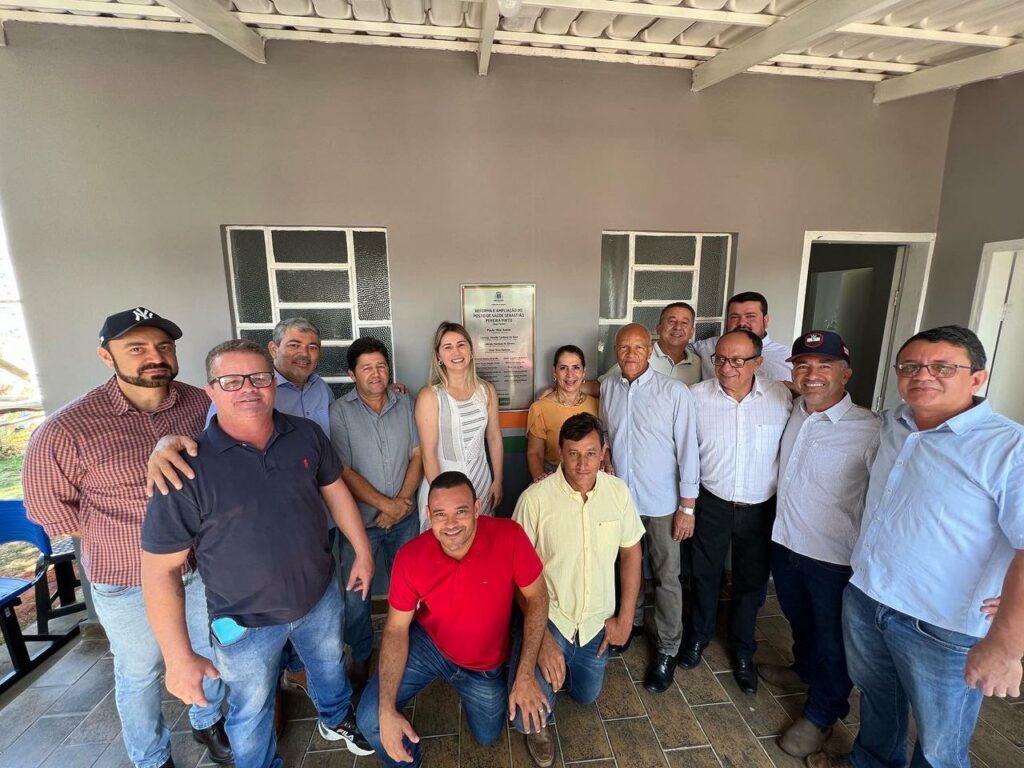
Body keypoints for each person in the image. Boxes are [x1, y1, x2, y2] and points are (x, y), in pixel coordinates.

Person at [141, 339, 376, 768]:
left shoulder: (306, 435)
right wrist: (177, 658)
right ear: (211, 390)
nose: (248, 388)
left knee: (329, 667)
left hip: (318, 596)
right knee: (250, 710)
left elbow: (335, 491)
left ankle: (335, 718)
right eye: (231, 380)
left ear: (273, 382)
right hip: (243, 621)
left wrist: (362, 550)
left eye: (259, 377)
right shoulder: (185, 466)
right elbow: (160, 572)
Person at [22, 307, 231, 768]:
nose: (154, 357)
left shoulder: (201, 404)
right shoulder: (66, 429)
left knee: (208, 649)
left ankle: (208, 721)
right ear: (106, 356)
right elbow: (49, 510)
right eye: (136, 348)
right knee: (141, 671)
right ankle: (151, 756)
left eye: (163, 346)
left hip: (201, 568)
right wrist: (124, 533)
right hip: (127, 579)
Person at [809, 326, 1024, 768]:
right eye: (910, 366)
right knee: (877, 699)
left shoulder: (1008, 447)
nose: (922, 375)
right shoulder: (893, 423)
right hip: (868, 596)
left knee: (941, 741)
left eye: (942, 367)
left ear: (977, 378)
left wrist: (1007, 643)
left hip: (943, 625)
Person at [355, 471, 549, 768]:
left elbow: (537, 597)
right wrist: (386, 709)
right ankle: (410, 763)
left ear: (476, 508)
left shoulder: (509, 535)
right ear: (428, 515)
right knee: (371, 719)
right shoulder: (410, 556)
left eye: (460, 511)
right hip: (430, 646)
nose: (451, 524)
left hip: (484, 666)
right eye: (440, 514)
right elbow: (395, 629)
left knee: (488, 737)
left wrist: (525, 674)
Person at [756, 331, 879, 758]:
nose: (812, 375)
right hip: (786, 543)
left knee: (833, 640)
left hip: (833, 558)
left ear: (846, 374)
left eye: (824, 366)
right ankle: (803, 669)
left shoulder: (870, 429)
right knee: (799, 619)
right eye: (803, 365)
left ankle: (823, 713)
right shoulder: (794, 410)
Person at [512, 413, 644, 767]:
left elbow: (631, 553)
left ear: (603, 453)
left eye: (590, 454)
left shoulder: (618, 492)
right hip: (551, 619)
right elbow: (515, 577)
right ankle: (531, 666)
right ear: (560, 452)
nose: (582, 464)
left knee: (587, 696)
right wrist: (541, 641)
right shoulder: (535, 499)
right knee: (525, 718)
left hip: (595, 623)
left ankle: (558, 674)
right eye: (573, 454)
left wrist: (625, 619)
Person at [679, 329, 792, 694]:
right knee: (704, 575)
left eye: (738, 360)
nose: (727, 368)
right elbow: (687, 454)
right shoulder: (696, 397)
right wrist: (688, 506)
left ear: (758, 362)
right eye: (721, 359)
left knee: (750, 582)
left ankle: (743, 649)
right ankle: (697, 637)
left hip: (760, 507)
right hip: (712, 502)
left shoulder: (781, 397)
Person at [600, 323, 699, 693]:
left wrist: (687, 507)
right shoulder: (609, 387)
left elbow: (689, 450)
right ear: (615, 350)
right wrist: (606, 457)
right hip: (623, 501)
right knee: (627, 567)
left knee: (666, 576)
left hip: (662, 503)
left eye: (638, 347)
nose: (630, 354)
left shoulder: (674, 392)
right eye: (624, 347)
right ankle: (634, 623)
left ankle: (668, 648)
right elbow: (607, 432)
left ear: (650, 349)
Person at [328, 336, 423, 690]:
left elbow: (418, 455)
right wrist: (386, 505)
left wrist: (401, 503)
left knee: (410, 587)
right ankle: (361, 653)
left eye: (381, 365)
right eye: (366, 367)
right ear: (352, 374)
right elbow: (343, 470)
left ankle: (410, 647)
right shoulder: (339, 412)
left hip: (405, 520)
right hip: (360, 525)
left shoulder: (405, 403)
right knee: (357, 597)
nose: (375, 373)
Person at [415, 321, 503, 519]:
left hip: (481, 480)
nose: (456, 352)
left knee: (481, 533)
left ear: (471, 350)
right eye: (448, 347)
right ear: (438, 356)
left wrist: (498, 479)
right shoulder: (430, 395)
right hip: (442, 481)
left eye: (461, 345)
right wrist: (440, 498)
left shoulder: (486, 390)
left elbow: (494, 437)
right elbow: (428, 454)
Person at [207, 317, 334, 433]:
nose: (304, 354)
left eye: (312, 347)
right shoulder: (248, 392)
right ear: (273, 349)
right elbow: (215, 442)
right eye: (294, 345)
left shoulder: (321, 387)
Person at [526, 345, 599, 482]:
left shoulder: (598, 405)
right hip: (554, 477)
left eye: (576, 367)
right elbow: (535, 453)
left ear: (584, 372)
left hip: (591, 478)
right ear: (554, 372)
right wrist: (541, 481)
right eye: (563, 368)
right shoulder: (540, 408)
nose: (570, 374)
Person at [692, 291, 792, 382]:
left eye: (750, 316)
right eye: (734, 317)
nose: (742, 323)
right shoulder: (706, 347)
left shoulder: (787, 357)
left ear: (765, 320)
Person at [600, 302, 701, 386]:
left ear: (692, 332)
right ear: (658, 328)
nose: (678, 327)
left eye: (684, 323)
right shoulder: (639, 356)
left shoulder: (698, 363)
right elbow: (602, 385)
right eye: (671, 321)